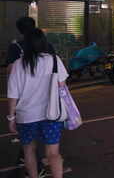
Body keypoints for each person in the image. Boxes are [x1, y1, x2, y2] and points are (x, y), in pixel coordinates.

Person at [7, 28, 69, 178]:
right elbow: (62, 85)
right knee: (53, 153)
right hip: (52, 114)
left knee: (29, 150)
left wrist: (11, 118)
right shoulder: (54, 60)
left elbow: (13, 94)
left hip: (26, 116)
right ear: (43, 43)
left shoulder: (18, 65)